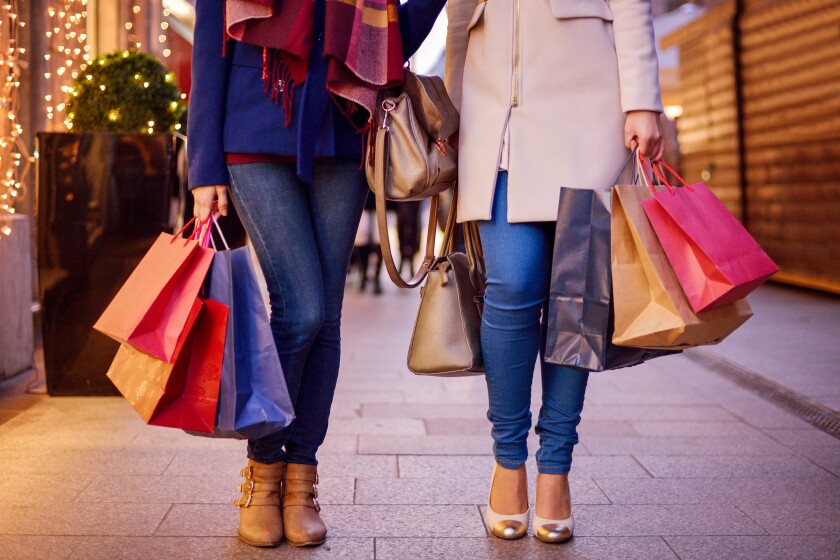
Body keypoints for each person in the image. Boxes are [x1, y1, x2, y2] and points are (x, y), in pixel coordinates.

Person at [188, 0, 446, 548]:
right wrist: (202, 166)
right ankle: (263, 475)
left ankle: (300, 479)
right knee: (300, 308)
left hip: (346, 127)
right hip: (254, 124)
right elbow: (210, 37)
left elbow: (399, 33)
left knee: (326, 315)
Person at [445, 0, 664, 544]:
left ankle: (556, 467)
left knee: (578, 294)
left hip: (586, 109)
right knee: (511, 283)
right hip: (493, 119)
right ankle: (508, 460)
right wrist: (447, 110)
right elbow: (455, 15)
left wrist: (642, 102)